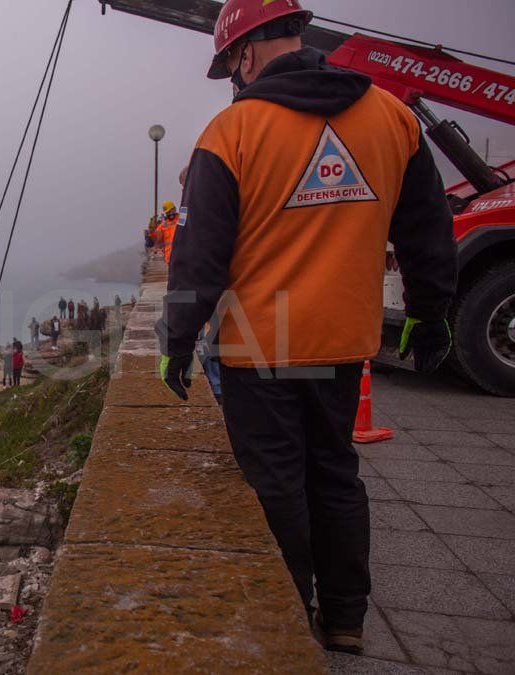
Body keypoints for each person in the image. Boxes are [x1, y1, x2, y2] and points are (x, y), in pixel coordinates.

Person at [158, 0, 456, 655]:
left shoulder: (231, 133)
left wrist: (177, 342)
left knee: (276, 485)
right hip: (343, 345)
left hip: (258, 348)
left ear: (246, 52)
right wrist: (433, 314)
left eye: (232, 63)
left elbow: (199, 254)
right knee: (335, 474)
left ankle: (288, 617)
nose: (235, 75)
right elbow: (428, 230)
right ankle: (345, 617)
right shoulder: (392, 118)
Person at [158, 200, 180, 265]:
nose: (169, 214)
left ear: (174, 209)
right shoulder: (163, 225)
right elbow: (157, 239)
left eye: (170, 211)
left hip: (182, 255)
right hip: (170, 258)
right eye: (167, 212)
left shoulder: (181, 219)